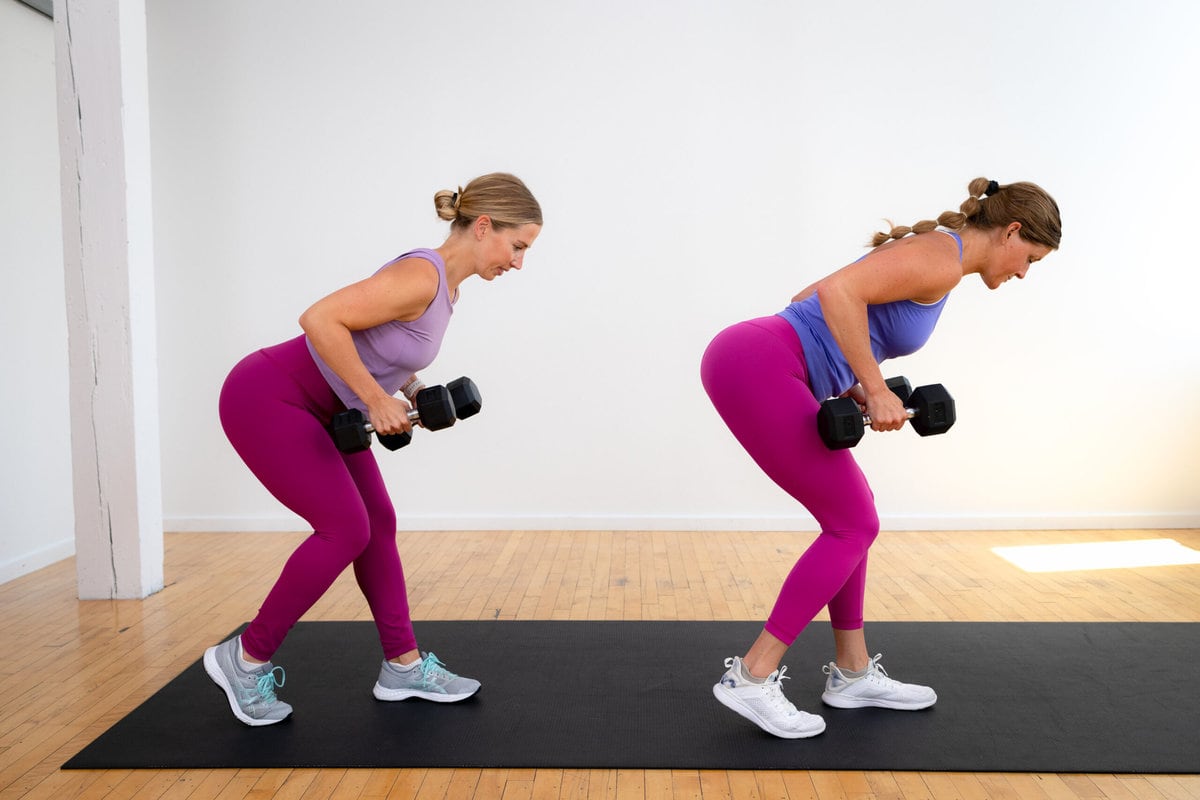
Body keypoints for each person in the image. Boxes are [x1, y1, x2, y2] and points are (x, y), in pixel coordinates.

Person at [701, 177, 1061, 739]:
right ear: (1012, 231)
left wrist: (852, 387)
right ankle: (751, 676)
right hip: (759, 363)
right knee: (854, 522)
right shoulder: (942, 259)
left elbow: (807, 299)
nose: (1023, 273)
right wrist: (876, 383)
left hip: (766, 360)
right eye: (1030, 259)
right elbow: (837, 294)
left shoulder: (941, 255)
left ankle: (851, 672)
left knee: (853, 517)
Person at [204, 173, 543, 726]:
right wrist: (372, 397)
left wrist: (410, 392)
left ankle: (402, 666)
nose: (519, 263)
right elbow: (319, 319)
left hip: (330, 410)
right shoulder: (421, 275)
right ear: (484, 226)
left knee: (377, 521)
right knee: (346, 528)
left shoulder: (447, 289)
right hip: (268, 397)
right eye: (518, 247)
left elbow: (381, 345)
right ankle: (244, 658)